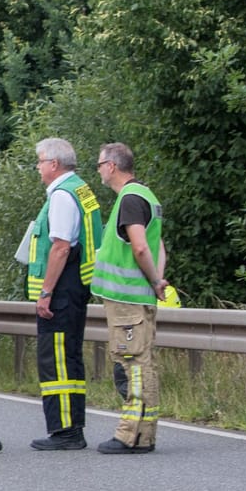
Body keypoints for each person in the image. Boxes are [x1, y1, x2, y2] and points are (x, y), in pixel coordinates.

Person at [25, 138, 102, 451]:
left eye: (40, 162)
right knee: (68, 358)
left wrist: (45, 292)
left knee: (56, 360)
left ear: (53, 164)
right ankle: (72, 428)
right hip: (75, 287)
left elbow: (60, 246)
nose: (39, 168)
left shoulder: (61, 195)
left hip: (61, 290)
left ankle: (65, 431)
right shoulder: (80, 189)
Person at [91, 142, 167, 454]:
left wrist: (153, 279)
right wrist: (158, 280)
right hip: (138, 297)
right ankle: (144, 434)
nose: (98, 170)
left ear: (112, 166)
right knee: (143, 362)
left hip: (127, 299)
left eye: (99, 164)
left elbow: (140, 246)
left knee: (132, 362)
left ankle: (130, 434)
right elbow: (158, 244)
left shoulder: (131, 199)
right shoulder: (145, 195)